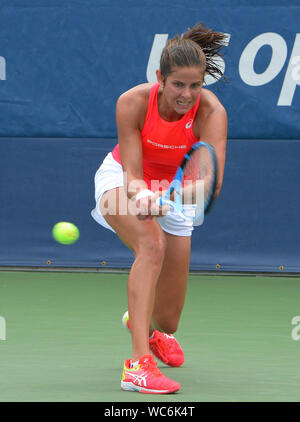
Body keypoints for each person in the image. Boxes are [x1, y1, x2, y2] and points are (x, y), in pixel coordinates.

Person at [91, 22, 227, 394]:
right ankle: (136, 366)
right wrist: (142, 194)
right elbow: (132, 174)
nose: (186, 94)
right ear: (160, 79)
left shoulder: (210, 113)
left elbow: (207, 185)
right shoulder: (132, 103)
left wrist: (167, 197)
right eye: (178, 85)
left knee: (168, 319)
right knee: (151, 246)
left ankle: (146, 327)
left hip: (177, 193)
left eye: (195, 86)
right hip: (121, 179)